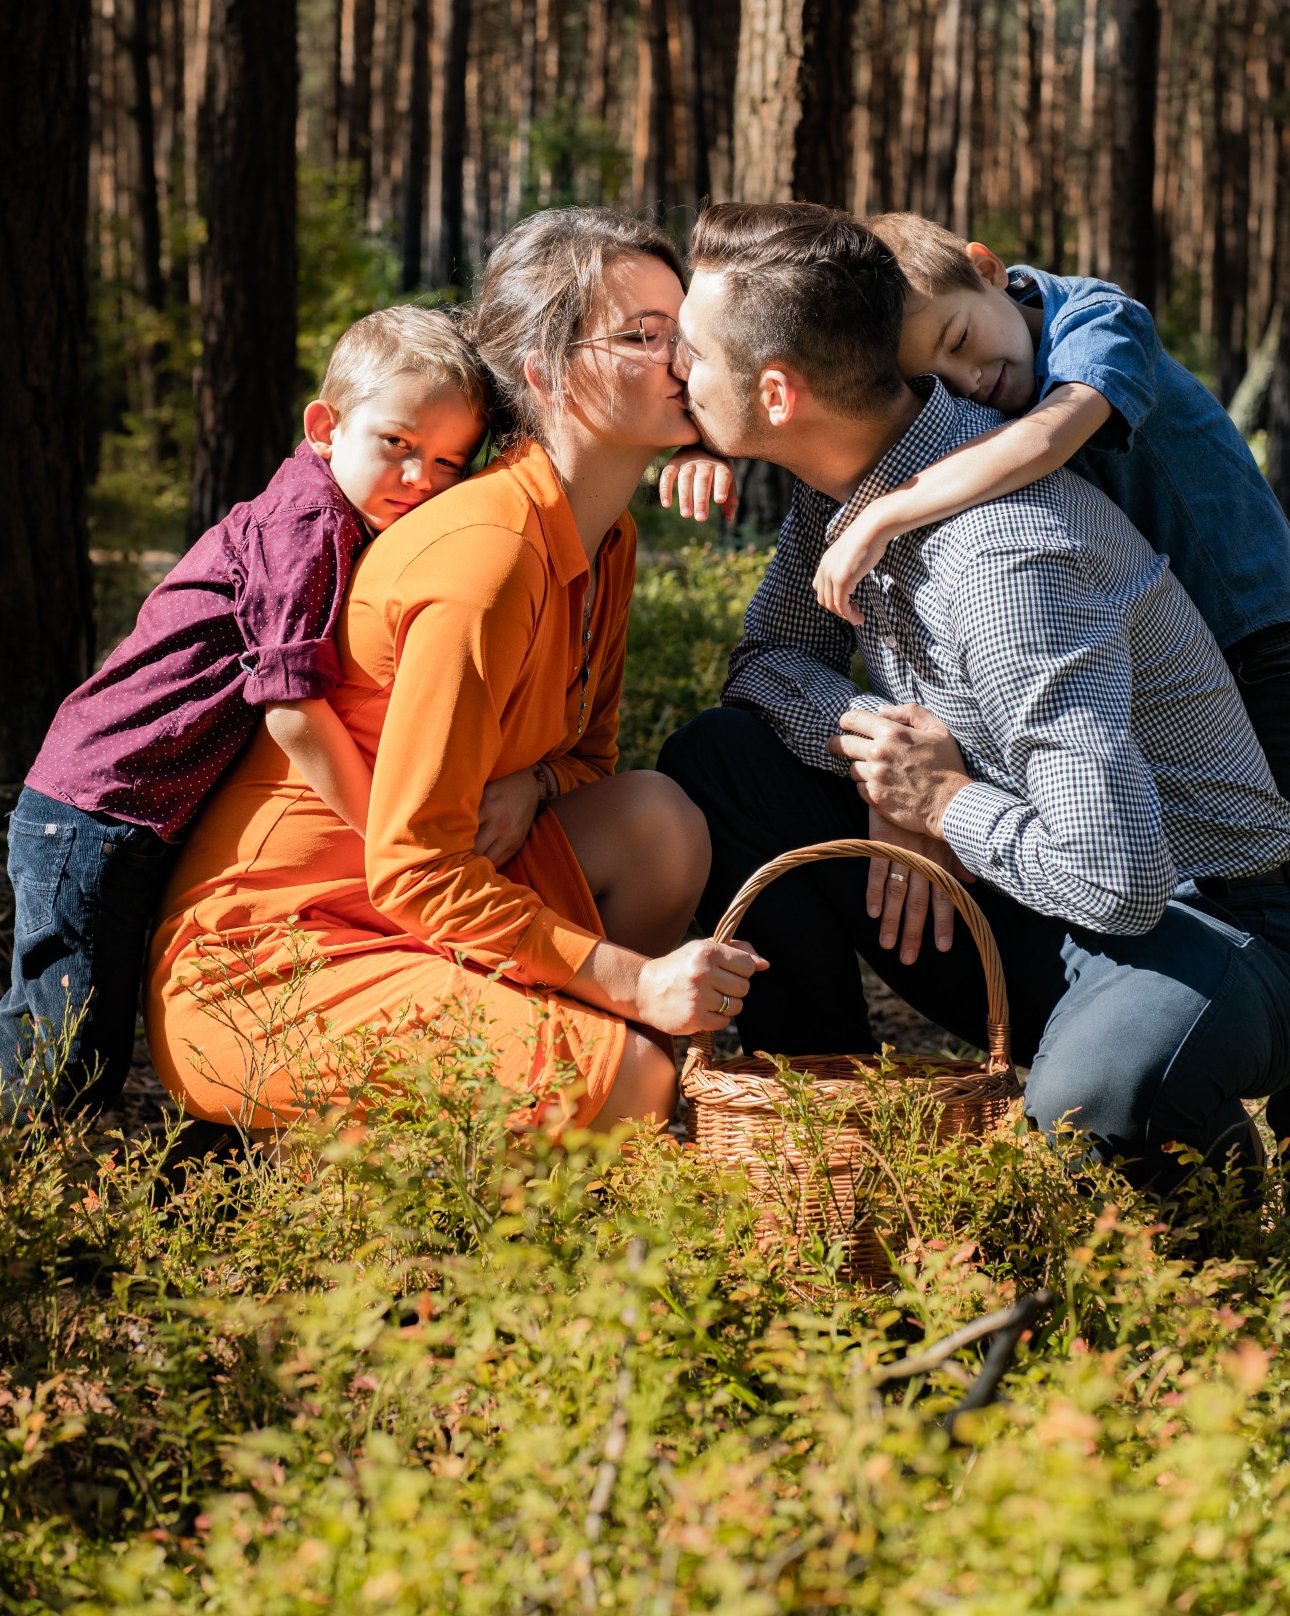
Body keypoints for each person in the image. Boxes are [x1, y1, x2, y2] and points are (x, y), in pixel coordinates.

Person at [659, 201, 1290, 1188]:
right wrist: (870, 741)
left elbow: (1116, 878)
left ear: (776, 393)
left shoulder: (1001, 557)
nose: (673, 370)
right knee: (721, 762)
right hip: (1038, 891)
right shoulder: (837, 490)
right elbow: (764, 665)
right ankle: (829, 1142)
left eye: (690, 351)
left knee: (1101, 1099)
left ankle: (1215, 1164)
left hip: (1197, 925)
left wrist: (945, 802)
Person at [146, 208, 761, 1139]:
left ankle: (520, 1090)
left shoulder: (609, 534)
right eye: (644, 335)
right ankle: (469, 1141)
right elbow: (416, 866)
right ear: (544, 373)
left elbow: (591, 755)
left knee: (657, 825)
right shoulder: (485, 557)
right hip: (275, 960)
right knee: (636, 1078)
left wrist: (537, 779)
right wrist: (637, 982)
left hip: (419, 905)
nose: (685, 359)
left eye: (687, 333)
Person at [0, 307, 491, 1121]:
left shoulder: (343, 521)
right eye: (396, 444)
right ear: (325, 427)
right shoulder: (307, 525)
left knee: (100, 1021)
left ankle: (75, 1192)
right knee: (65, 1032)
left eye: (446, 462)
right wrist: (388, 837)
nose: (418, 478)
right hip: (94, 808)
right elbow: (291, 710)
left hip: (139, 812)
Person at [809, 212, 1290, 796]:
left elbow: (1047, 436)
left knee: (1267, 860)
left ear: (986, 270)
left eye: (958, 340)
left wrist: (883, 513)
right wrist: (704, 442)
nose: (968, 380)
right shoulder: (990, 345)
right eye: (933, 380)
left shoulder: (1101, 323)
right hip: (1157, 662)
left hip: (1258, 638)